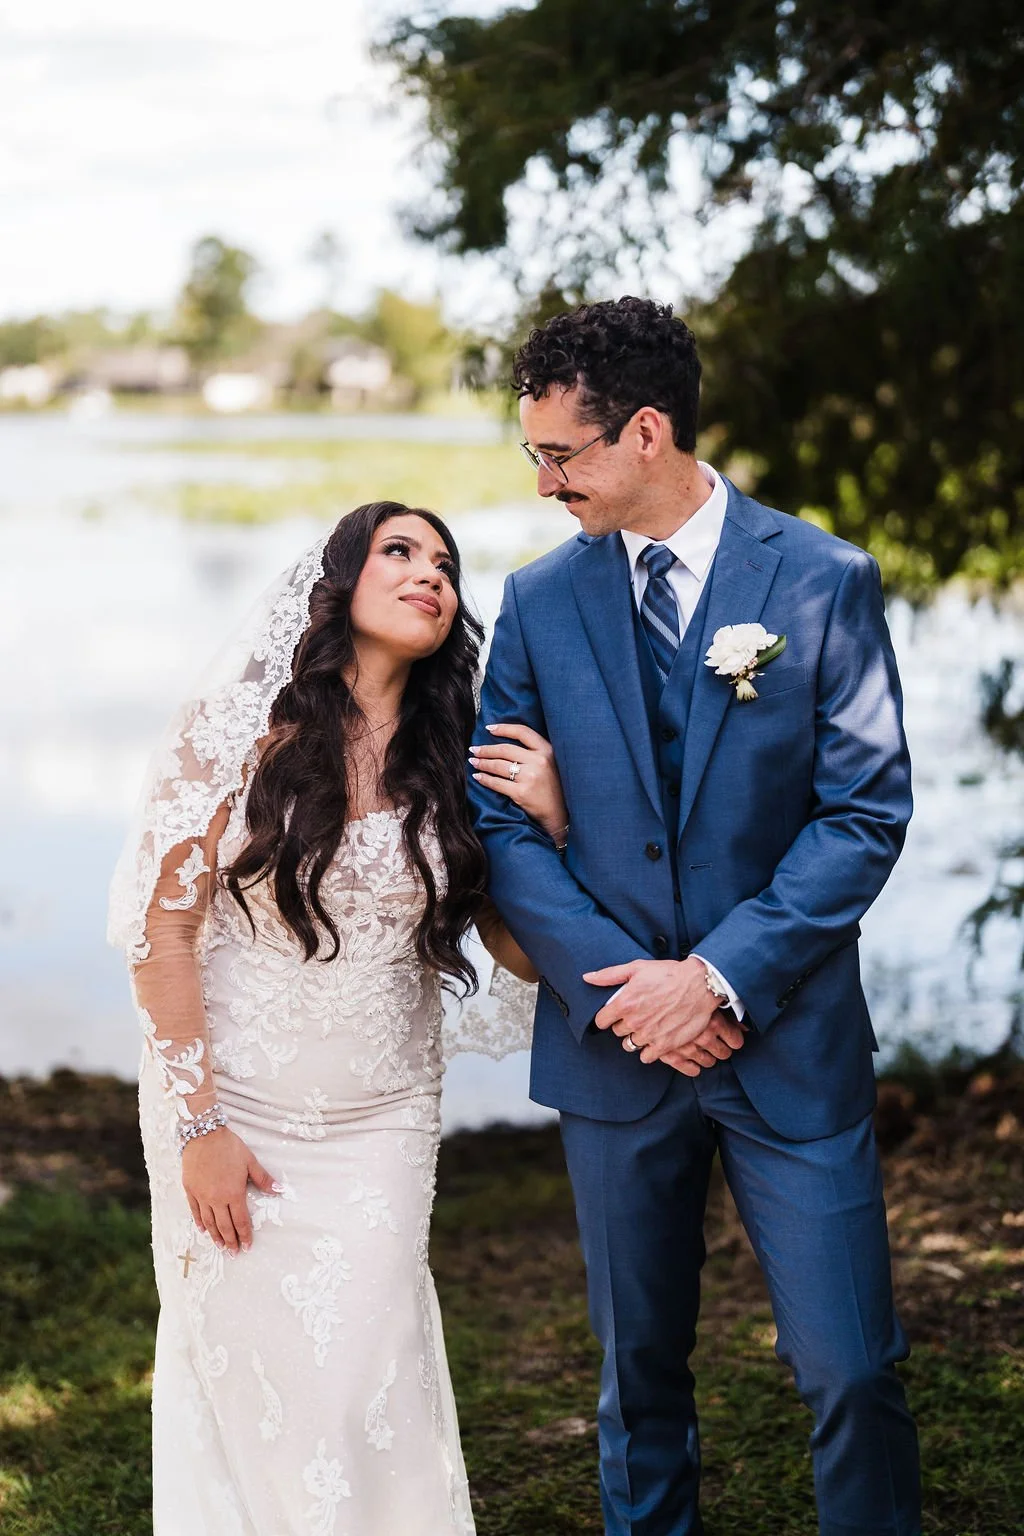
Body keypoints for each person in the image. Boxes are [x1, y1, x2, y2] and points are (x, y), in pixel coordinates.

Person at [468, 298, 921, 1536]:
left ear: (647, 432)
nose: (545, 481)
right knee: (636, 1385)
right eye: (536, 457)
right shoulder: (539, 602)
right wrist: (634, 991)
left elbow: (862, 815)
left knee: (851, 1372)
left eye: (561, 454)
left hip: (789, 1042)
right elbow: (499, 822)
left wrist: (714, 979)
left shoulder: (821, 581)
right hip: (618, 1052)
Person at [108, 501, 565, 1536]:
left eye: (445, 564)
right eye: (399, 553)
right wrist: (199, 1127)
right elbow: (160, 936)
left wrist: (551, 823)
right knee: (253, 1379)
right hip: (231, 1107)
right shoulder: (239, 732)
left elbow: (523, 950)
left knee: (369, 1369)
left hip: (384, 1118)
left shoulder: (459, 756)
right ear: (337, 584)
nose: (430, 576)